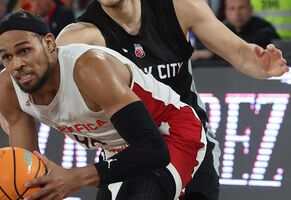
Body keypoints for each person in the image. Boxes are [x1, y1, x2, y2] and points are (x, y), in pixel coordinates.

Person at [55, 0, 289, 199]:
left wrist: (260, 64)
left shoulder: (179, 7)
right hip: (133, 148)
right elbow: (47, 84)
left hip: (190, 139)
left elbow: (239, 52)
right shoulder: (80, 37)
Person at [0, 10, 208, 200]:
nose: (17, 64)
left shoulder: (88, 68)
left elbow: (153, 149)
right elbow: (25, 172)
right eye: (6, 57)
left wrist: (74, 178)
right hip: (119, 148)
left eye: (24, 51)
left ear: (50, 43)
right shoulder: (9, 88)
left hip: (170, 133)